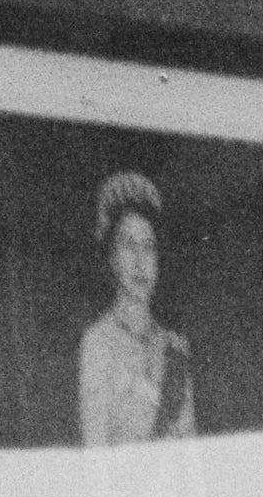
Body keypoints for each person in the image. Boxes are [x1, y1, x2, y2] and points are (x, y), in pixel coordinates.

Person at [74, 171, 195, 448]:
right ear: (112, 258)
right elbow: (95, 459)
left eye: (149, 247)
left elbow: (190, 461)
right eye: (128, 245)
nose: (141, 261)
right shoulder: (98, 343)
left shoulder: (175, 348)